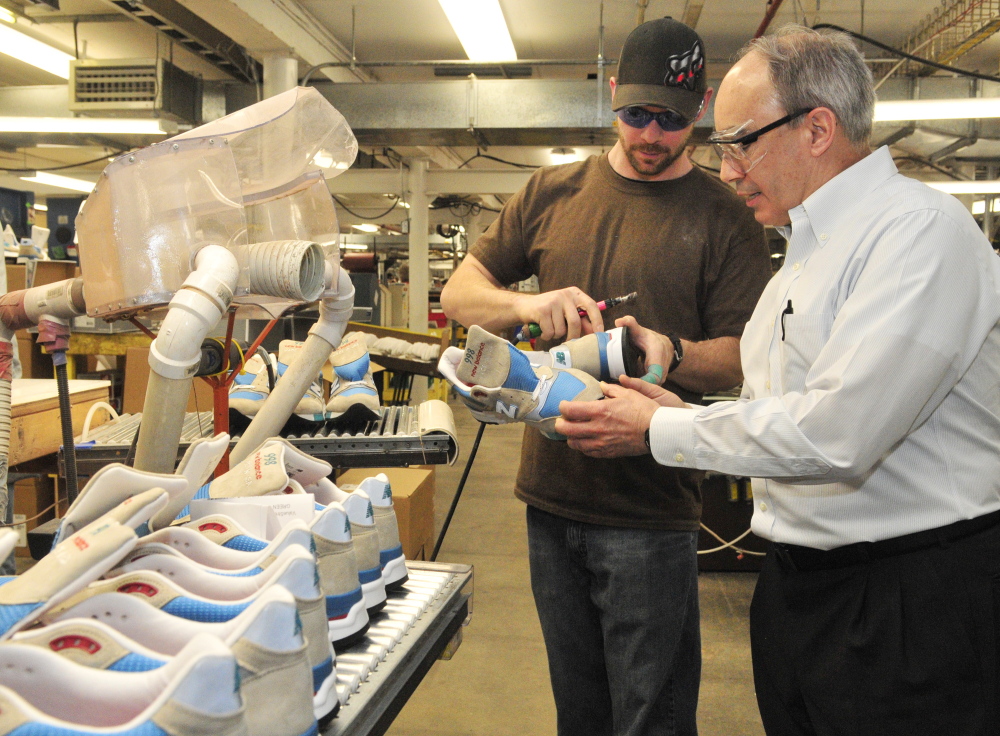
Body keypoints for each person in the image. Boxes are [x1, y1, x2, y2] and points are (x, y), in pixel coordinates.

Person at [557, 25, 1000, 736]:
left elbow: (840, 433)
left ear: (817, 128)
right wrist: (676, 406)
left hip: (908, 602)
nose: (728, 170)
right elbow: (788, 410)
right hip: (802, 589)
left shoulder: (921, 233)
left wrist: (663, 430)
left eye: (741, 142)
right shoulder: (803, 254)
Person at [440, 17, 770, 736]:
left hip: (652, 512)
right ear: (613, 94)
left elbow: (750, 356)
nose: (652, 135)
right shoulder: (551, 193)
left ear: (702, 107)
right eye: (637, 114)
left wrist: (670, 351)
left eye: (673, 121)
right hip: (551, 505)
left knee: (651, 717)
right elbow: (458, 296)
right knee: (580, 714)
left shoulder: (728, 218)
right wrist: (527, 301)